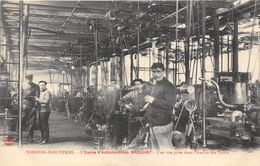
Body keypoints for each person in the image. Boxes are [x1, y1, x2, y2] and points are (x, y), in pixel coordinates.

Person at [144, 62, 176, 149]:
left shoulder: (169, 86)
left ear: (163, 71)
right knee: (156, 151)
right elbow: (156, 101)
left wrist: (153, 100)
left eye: (158, 71)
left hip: (163, 124)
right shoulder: (156, 85)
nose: (156, 74)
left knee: (166, 151)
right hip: (154, 123)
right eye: (154, 72)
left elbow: (170, 104)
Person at [118, 79, 148, 144]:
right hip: (133, 117)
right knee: (131, 135)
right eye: (135, 85)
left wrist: (146, 105)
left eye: (139, 84)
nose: (137, 86)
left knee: (144, 136)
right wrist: (126, 106)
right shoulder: (131, 94)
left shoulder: (146, 93)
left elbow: (153, 101)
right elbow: (120, 101)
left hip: (144, 117)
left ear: (142, 85)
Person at [22, 74, 40, 142]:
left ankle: (30, 138)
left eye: (30, 79)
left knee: (32, 122)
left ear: (32, 79)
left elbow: (37, 97)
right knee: (21, 121)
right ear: (25, 79)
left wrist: (35, 106)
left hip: (32, 106)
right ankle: (18, 136)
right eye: (27, 79)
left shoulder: (36, 86)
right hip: (23, 105)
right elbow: (19, 95)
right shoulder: (21, 86)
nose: (29, 80)